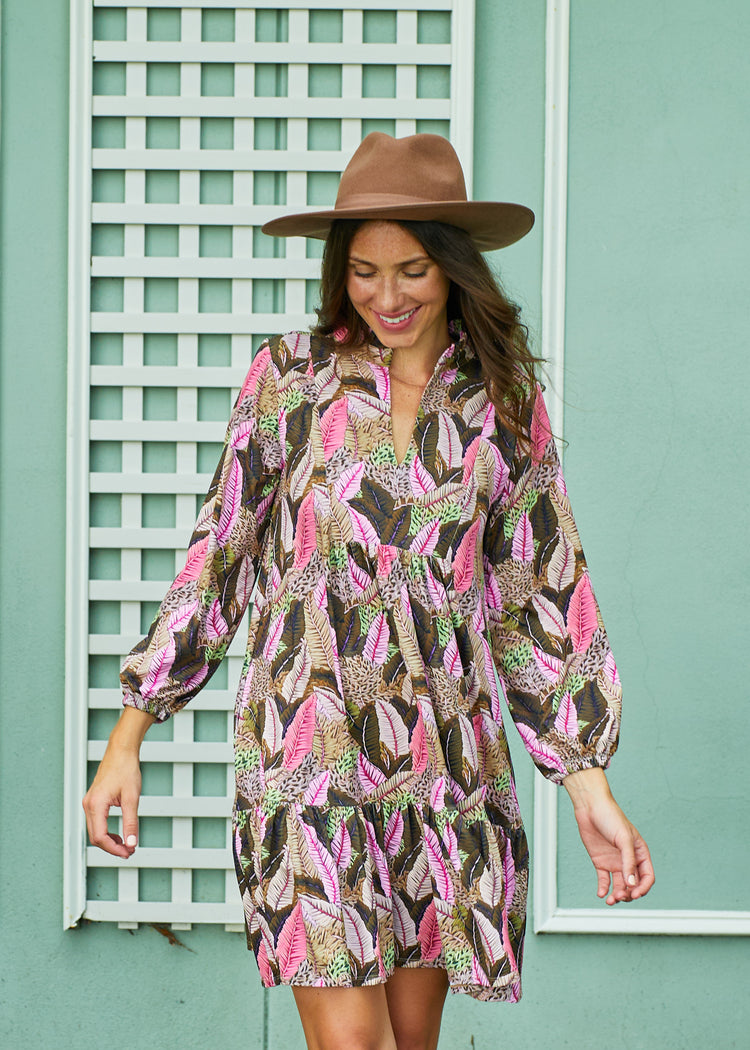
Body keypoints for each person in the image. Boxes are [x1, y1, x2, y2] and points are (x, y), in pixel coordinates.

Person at [84, 133, 654, 1050]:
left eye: (413, 269)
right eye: (363, 272)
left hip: (441, 766)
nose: (387, 297)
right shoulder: (289, 379)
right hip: (306, 752)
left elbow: (538, 597)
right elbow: (218, 554)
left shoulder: (501, 403)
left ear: (455, 267)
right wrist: (129, 737)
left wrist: (587, 786)